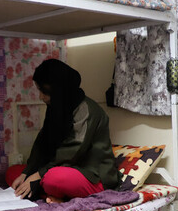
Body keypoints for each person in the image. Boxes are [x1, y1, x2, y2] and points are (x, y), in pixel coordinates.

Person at [10, 59, 120, 203]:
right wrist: (27, 172)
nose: (41, 97)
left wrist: (38, 174)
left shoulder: (86, 110)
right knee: (14, 173)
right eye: (39, 90)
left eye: (44, 92)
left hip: (91, 174)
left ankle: (51, 192)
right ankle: (54, 194)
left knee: (52, 179)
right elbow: (42, 141)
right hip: (62, 166)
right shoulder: (56, 105)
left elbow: (72, 152)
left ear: (59, 89)